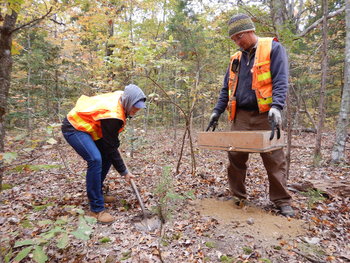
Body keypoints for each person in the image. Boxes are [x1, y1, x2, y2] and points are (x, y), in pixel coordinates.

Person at [207, 14, 294, 217]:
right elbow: (226, 89)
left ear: (250, 31)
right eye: (234, 39)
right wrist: (216, 111)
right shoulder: (235, 59)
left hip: (266, 115)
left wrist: (277, 107)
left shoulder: (272, 48)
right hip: (241, 116)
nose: (237, 42)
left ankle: (282, 200)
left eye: (239, 37)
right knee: (235, 156)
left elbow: (281, 80)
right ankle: (238, 196)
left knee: (274, 158)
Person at [61, 84, 147, 223]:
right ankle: (96, 210)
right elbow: (110, 144)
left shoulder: (122, 99)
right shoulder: (113, 114)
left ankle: (97, 193)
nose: (137, 110)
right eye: (135, 106)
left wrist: (116, 154)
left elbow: (110, 143)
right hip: (74, 127)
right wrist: (124, 172)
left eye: (139, 107)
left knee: (106, 156)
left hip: (90, 128)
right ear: (128, 102)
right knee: (95, 160)